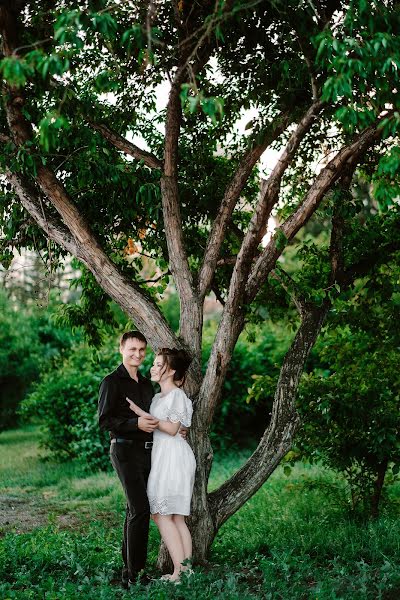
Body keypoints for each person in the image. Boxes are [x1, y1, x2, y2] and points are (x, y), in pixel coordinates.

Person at [126, 347, 196, 583]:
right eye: (154, 364)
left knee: (161, 514)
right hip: (164, 456)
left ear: (171, 370)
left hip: (174, 457)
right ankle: (186, 572)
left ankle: (179, 572)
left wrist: (140, 413)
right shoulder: (158, 397)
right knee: (175, 517)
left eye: (158, 364)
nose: (153, 368)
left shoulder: (177, 394)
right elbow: (173, 426)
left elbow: (174, 428)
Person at [98, 331, 158, 588]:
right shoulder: (112, 381)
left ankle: (128, 570)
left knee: (134, 509)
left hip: (147, 452)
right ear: (121, 348)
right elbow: (104, 421)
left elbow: (152, 417)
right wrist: (135, 423)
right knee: (141, 509)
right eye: (132, 349)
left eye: (142, 350)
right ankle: (136, 574)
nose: (138, 354)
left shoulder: (146, 384)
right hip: (123, 450)